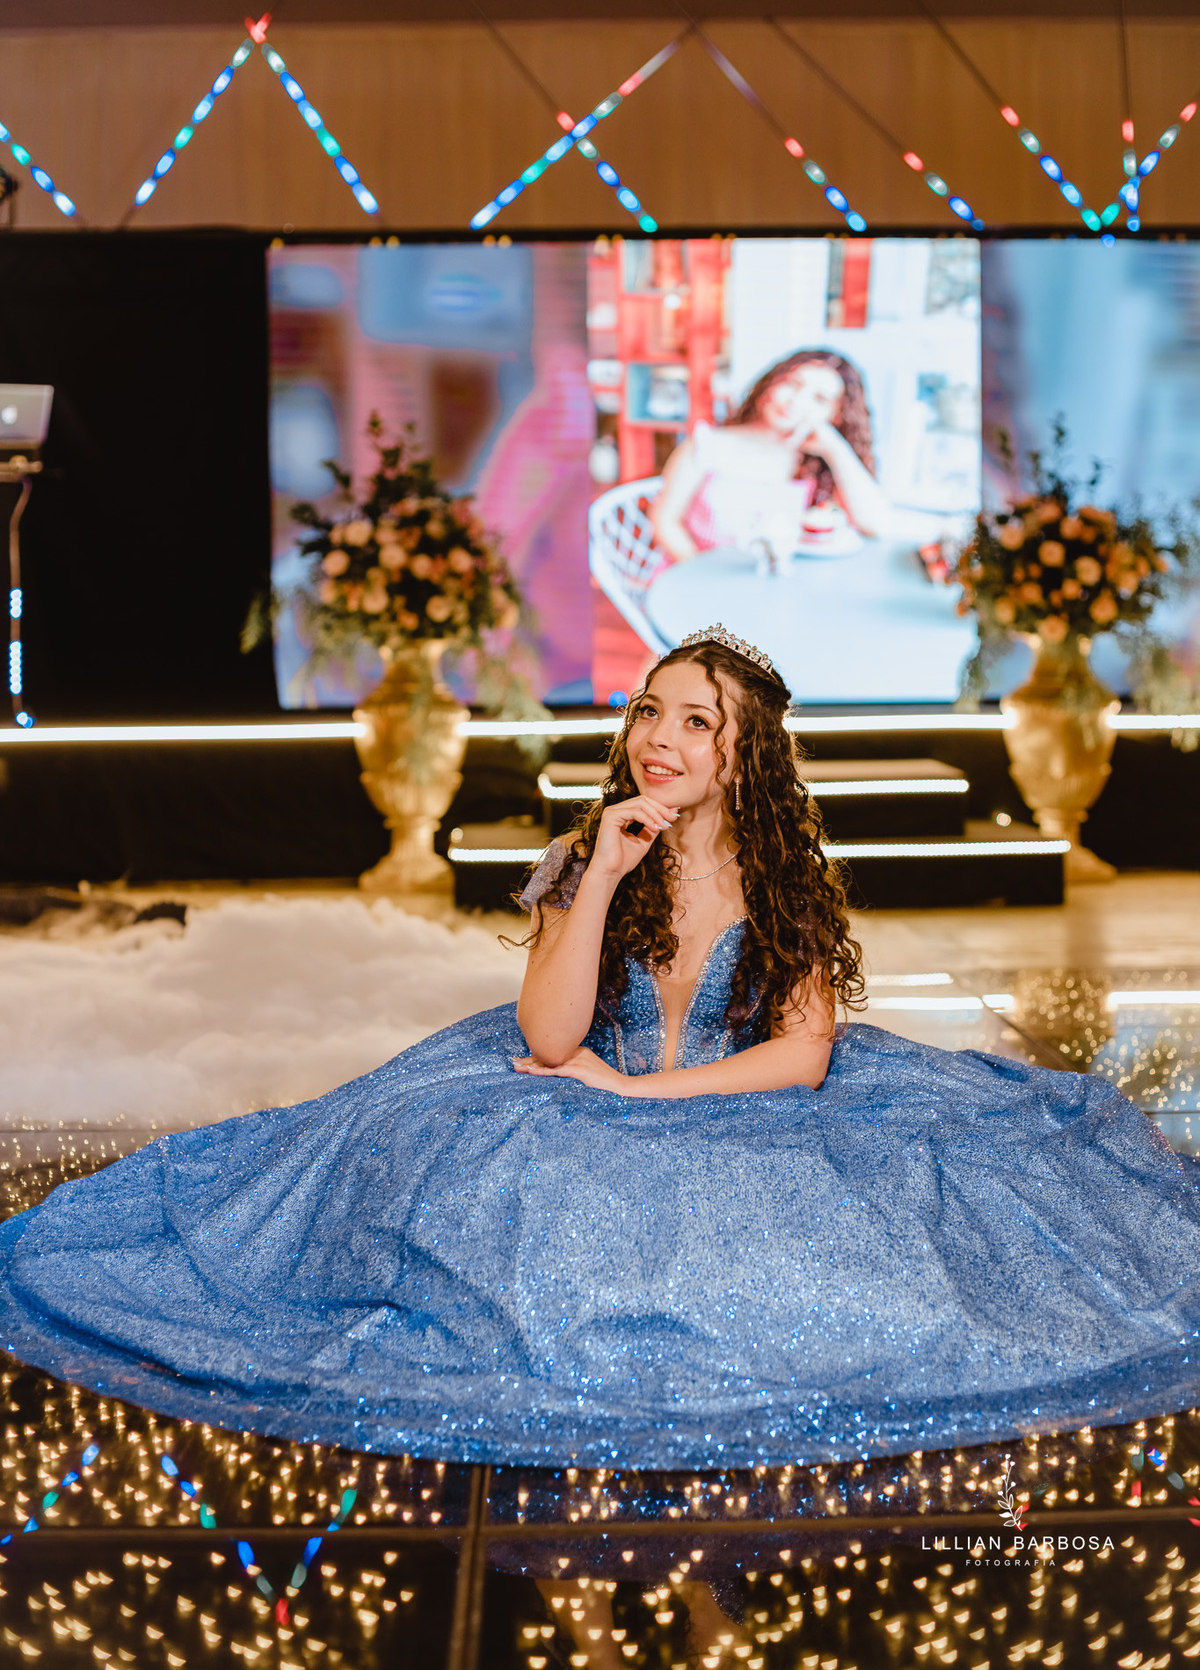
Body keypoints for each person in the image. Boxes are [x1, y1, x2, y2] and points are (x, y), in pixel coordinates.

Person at [0, 626, 1198, 1470]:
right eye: (647, 709)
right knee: (454, 1177)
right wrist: (606, 874)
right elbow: (550, 1032)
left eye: (695, 720)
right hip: (580, 1073)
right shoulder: (588, 856)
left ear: (744, 754)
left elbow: (802, 1060)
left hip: (719, 1094)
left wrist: (647, 1096)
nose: (659, 738)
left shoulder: (786, 875)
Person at [652, 350, 893, 573]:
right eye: (793, 384)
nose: (796, 402)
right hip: (698, 583)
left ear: (836, 415)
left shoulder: (814, 463)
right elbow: (665, 521)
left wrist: (835, 448)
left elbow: (876, 524)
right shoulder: (707, 444)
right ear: (772, 382)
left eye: (820, 399)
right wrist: (704, 574)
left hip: (772, 589)